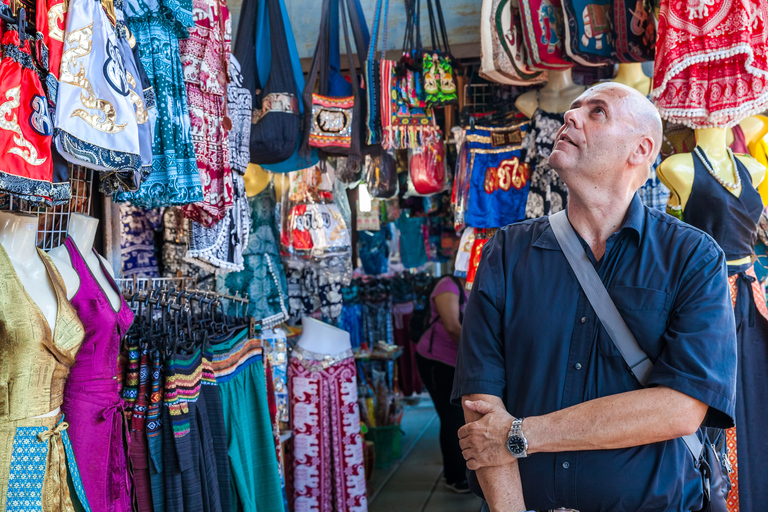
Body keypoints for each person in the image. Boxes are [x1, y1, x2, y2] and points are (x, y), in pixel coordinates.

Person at [451, 83, 737, 512]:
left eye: (597, 111)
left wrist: (521, 435)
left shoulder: (692, 257)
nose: (571, 116)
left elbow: (681, 407)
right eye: (573, 109)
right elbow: (481, 405)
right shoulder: (506, 253)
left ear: (640, 150)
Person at [415, 275, 470, 493]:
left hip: (454, 361)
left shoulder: (471, 285)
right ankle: (455, 476)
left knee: (456, 416)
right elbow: (452, 327)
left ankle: (459, 470)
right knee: (451, 417)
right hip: (437, 361)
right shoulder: (448, 285)